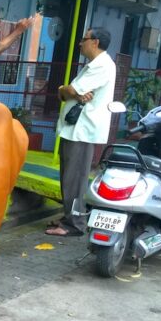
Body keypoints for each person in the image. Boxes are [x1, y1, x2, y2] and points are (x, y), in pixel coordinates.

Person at [46, 27, 117, 237]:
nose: (80, 43)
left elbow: (73, 91)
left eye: (84, 39)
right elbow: (69, 92)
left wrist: (66, 90)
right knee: (69, 177)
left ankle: (74, 224)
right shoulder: (94, 65)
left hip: (83, 130)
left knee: (74, 179)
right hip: (76, 129)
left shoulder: (103, 65)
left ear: (95, 42)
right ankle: (69, 217)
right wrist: (65, 89)